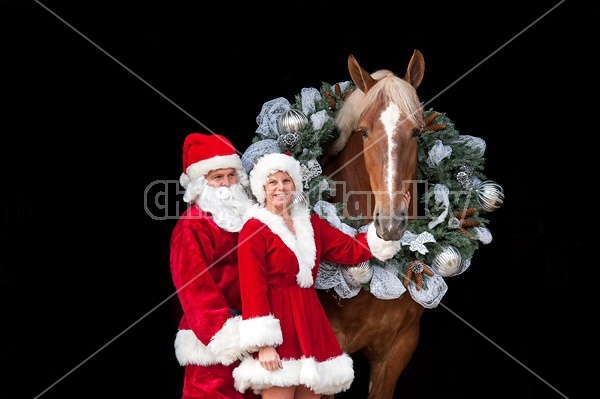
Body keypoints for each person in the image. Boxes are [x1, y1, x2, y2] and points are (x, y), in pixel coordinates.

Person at [232, 152, 410, 399]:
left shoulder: (311, 224)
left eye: (286, 181)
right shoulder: (254, 229)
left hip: (309, 318)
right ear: (262, 188)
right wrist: (264, 344)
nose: (280, 188)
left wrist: (390, 222)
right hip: (277, 321)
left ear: (295, 185)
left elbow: (351, 249)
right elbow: (252, 289)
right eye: (273, 182)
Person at [169, 132, 260, 399]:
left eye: (231, 175)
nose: (226, 183)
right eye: (217, 177)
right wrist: (223, 334)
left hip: (254, 338)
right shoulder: (191, 225)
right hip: (215, 345)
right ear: (201, 183)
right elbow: (194, 288)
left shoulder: (249, 219)